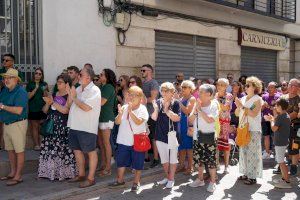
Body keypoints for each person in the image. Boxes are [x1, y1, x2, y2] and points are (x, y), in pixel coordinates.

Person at [110, 86, 149, 192]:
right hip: (123, 141)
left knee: (138, 163)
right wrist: (120, 114)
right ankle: (120, 180)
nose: (131, 97)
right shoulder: (124, 107)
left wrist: (131, 112)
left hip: (137, 141)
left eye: (134, 95)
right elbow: (117, 122)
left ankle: (136, 182)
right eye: (130, 94)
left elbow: (139, 122)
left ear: (140, 98)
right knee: (121, 162)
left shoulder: (143, 109)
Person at [38, 74, 77, 181]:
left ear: (66, 84)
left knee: (61, 150)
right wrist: (47, 103)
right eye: (57, 82)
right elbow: (45, 110)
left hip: (62, 126)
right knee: (50, 149)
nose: (58, 84)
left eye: (60, 82)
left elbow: (66, 110)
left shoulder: (69, 95)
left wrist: (53, 102)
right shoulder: (54, 94)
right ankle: (49, 173)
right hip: (51, 125)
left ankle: (63, 173)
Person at [67, 67, 101, 188]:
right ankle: (81, 175)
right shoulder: (78, 88)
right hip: (74, 125)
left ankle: (91, 178)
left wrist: (74, 97)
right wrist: (70, 95)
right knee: (77, 151)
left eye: (80, 74)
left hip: (86, 127)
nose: (78, 76)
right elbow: (69, 104)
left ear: (88, 77)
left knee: (90, 152)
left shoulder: (95, 90)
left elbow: (86, 107)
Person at [188, 84, 219, 193]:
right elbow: (190, 120)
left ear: (209, 94)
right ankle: (200, 179)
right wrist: (196, 110)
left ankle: (212, 182)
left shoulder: (214, 105)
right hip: (197, 137)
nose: (198, 94)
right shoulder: (197, 105)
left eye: (201, 92)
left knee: (211, 161)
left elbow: (210, 120)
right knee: (198, 160)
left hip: (209, 136)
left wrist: (200, 110)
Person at [0, 68, 28, 186]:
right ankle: (12, 172)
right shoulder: (5, 91)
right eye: (5, 78)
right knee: (10, 150)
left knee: (19, 150)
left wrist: (2, 107)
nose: (6, 80)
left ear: (16, 80)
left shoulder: (21, 92)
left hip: (18, 123)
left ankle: (18, 176)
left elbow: (18, 110)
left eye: (9, 77)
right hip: (7, 124)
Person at [151, 82, 180, 189]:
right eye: (162, 90)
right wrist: (156, 109)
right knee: (164, 158)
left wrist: (167, 110)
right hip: (160, 133)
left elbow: (177, 118)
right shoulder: (158, 102)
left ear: (172, 92)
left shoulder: (176, 103)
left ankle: (171, 179)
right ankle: (167, 177)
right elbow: (154, 118)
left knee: (173, 158)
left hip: (172, 134)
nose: (163, 93)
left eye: (166, 91)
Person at [235, 76, 263, 185]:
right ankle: (246, 173)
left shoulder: (257, 99)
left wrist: (241, 107)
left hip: (253, 129)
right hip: (243, 128)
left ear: (255, 87)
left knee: (252, 153)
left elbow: (254, 113)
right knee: (243, 152)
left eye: (248, 85)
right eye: (245, 85)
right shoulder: (243, 98)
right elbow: (237, 114)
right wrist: (238, 107)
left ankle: (253, 177)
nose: (245, 87)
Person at [264, 98, 291, 189]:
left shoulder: (280, 117)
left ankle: (287, 181)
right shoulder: (286, 115)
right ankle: (284, 179)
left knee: (281, 162)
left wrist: (271, 121)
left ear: (280, 106)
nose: (275, 107)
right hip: (283, 142)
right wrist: (273, 119)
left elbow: (274, 128)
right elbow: (279, 124)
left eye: (277, 106)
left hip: (280, 143)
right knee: (281, 161)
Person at [98, 68, 117, 176]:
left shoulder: (108, 87)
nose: (100, 76)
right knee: (102, 144)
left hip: (106, 118)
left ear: (107, 77)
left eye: (102, 75)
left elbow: (101, 102)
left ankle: (108, 168)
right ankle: (104, 164)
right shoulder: (102, 87)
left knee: (106, 143)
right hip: (101, 118)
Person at [141, 64, 160, 168]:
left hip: (152, 113)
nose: (142, 72)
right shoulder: (142, 83)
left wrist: (141, 100)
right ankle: (146, 157)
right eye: (141, 70)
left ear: (150, 71)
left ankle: (156, 159)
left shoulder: (153, 83)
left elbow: (153, 98)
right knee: (145, 135)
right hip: (143, 113)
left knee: (153, 137)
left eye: (144, 70)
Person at [26, 67, 48, 151]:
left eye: (40, 74)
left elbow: (46, 96)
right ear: (34, 74)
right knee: (34, 127)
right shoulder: (30, 84)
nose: (38, 75)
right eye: (36, 73)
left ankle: (43, 144)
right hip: (33, 108)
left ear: (42, 75)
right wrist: (35, 88)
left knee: (41, 127)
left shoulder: (44, 84)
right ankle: (36, 144)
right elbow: (28, 96)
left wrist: (45, 90)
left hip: (42, 108)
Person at [177, 80, 196, 175]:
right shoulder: (180, 98)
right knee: (181, 147)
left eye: (185, 87)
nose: (182, 89)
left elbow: (187, 111)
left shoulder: (192, 99)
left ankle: (190, 167)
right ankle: (181, 165)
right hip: (180, 125)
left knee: (189, 147)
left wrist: (178, 102)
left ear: (190, 89)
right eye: (182, 87)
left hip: (187, 125)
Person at [282, 78, 300, 176]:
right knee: (283, 145)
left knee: (294, 146)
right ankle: (284, 164)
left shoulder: (298, 99)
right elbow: (278, 109)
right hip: (283, 126)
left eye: (295, 86)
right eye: (291, 85)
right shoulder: (283, 97)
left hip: (295, 126)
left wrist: (283, 120)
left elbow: (295, 113)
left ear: (298, 88)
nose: (293, 87)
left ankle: (294, 166)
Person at [216, 78, 233, 174]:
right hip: (216, 122)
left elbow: (225, 107)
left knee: (226, 144)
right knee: (216, 144)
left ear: (226, 86)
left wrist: (215, 101)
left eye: (222, 85)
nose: (219, 86)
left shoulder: (229, 96)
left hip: (225, 122)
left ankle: (226, 166)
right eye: (218, 84)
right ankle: (216, 164)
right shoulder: (215, 95)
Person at [261, 82, 280, 159]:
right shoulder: (264, 96)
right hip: (265, 119)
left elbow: (279, 109)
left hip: (275, 119)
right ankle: (267, 152)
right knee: (266, 136)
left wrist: (269, 106)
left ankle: (276, 154)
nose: (269, 89)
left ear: (275, 89)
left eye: (271, 87)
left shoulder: (279, 97)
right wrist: (263, 106)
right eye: (268, 87)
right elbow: (261, 109)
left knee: (275, 136)